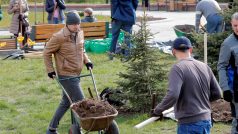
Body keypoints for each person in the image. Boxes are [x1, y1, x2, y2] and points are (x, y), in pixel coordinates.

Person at [153, 37, 222, 134]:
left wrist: (158, 110)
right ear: (190, 49)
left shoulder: (177, 68)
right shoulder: (204, 66)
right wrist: (200, 101)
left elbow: (173, 94)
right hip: (206, 120)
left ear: (173, 51)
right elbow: (217, 93)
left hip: (189, 123)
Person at [43, 10, 93, 134]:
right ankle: (80, 128)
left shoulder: (80, 33)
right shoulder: (59, 37)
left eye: (78, 24)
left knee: (66, 102)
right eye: (74, 24)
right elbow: (46, 52)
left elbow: (82, 49)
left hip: (77, 72)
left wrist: (87, 61)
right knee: (81, 101)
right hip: (66, 74)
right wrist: (50, 70)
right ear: (67, 24)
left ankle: (51, 129)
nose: (77, 26)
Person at [217, 12, 238, 134]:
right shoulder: (227, 44)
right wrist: (225, 88)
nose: (237, 28)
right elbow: (221, 67)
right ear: (231, 24)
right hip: (236, 90)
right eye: (235, 25)